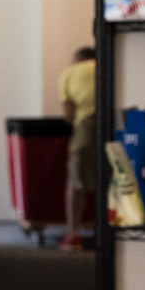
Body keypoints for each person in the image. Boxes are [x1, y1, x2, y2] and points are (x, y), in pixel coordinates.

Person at [57, 45, 97, 250]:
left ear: (77, 59)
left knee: (76, 180)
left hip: (86, 126)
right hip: (116, 122)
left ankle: (73, 234)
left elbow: (69, 114)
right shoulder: (104, 66)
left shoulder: (70, 72)